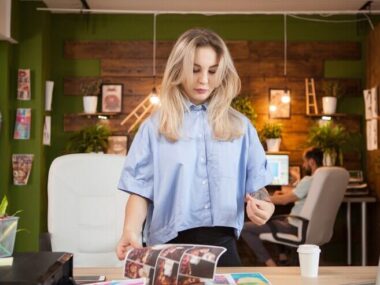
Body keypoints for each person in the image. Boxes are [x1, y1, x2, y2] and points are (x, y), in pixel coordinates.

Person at [116, 28, 274, 266]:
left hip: (223, 247)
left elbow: (257, 187)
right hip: (168, 249)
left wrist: (266, 206)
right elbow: (140, 189)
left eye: (212, 71)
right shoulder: (154, 127)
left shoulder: (241, 127)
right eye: (195, 69)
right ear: (179, 70)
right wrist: (130, 230)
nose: (203, 80)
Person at [241, 147, 323, 266]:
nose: (304, 165)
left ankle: (271, 265)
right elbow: (295, 195)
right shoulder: (320, 179)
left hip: (295, 227)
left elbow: (284, 201)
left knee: (245, 228)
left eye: (305, 161)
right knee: (277, 219)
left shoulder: (309, 180)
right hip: (305, 225)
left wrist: (260, 198)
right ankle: (282, 257)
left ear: (311, 162)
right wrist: (281, 195)